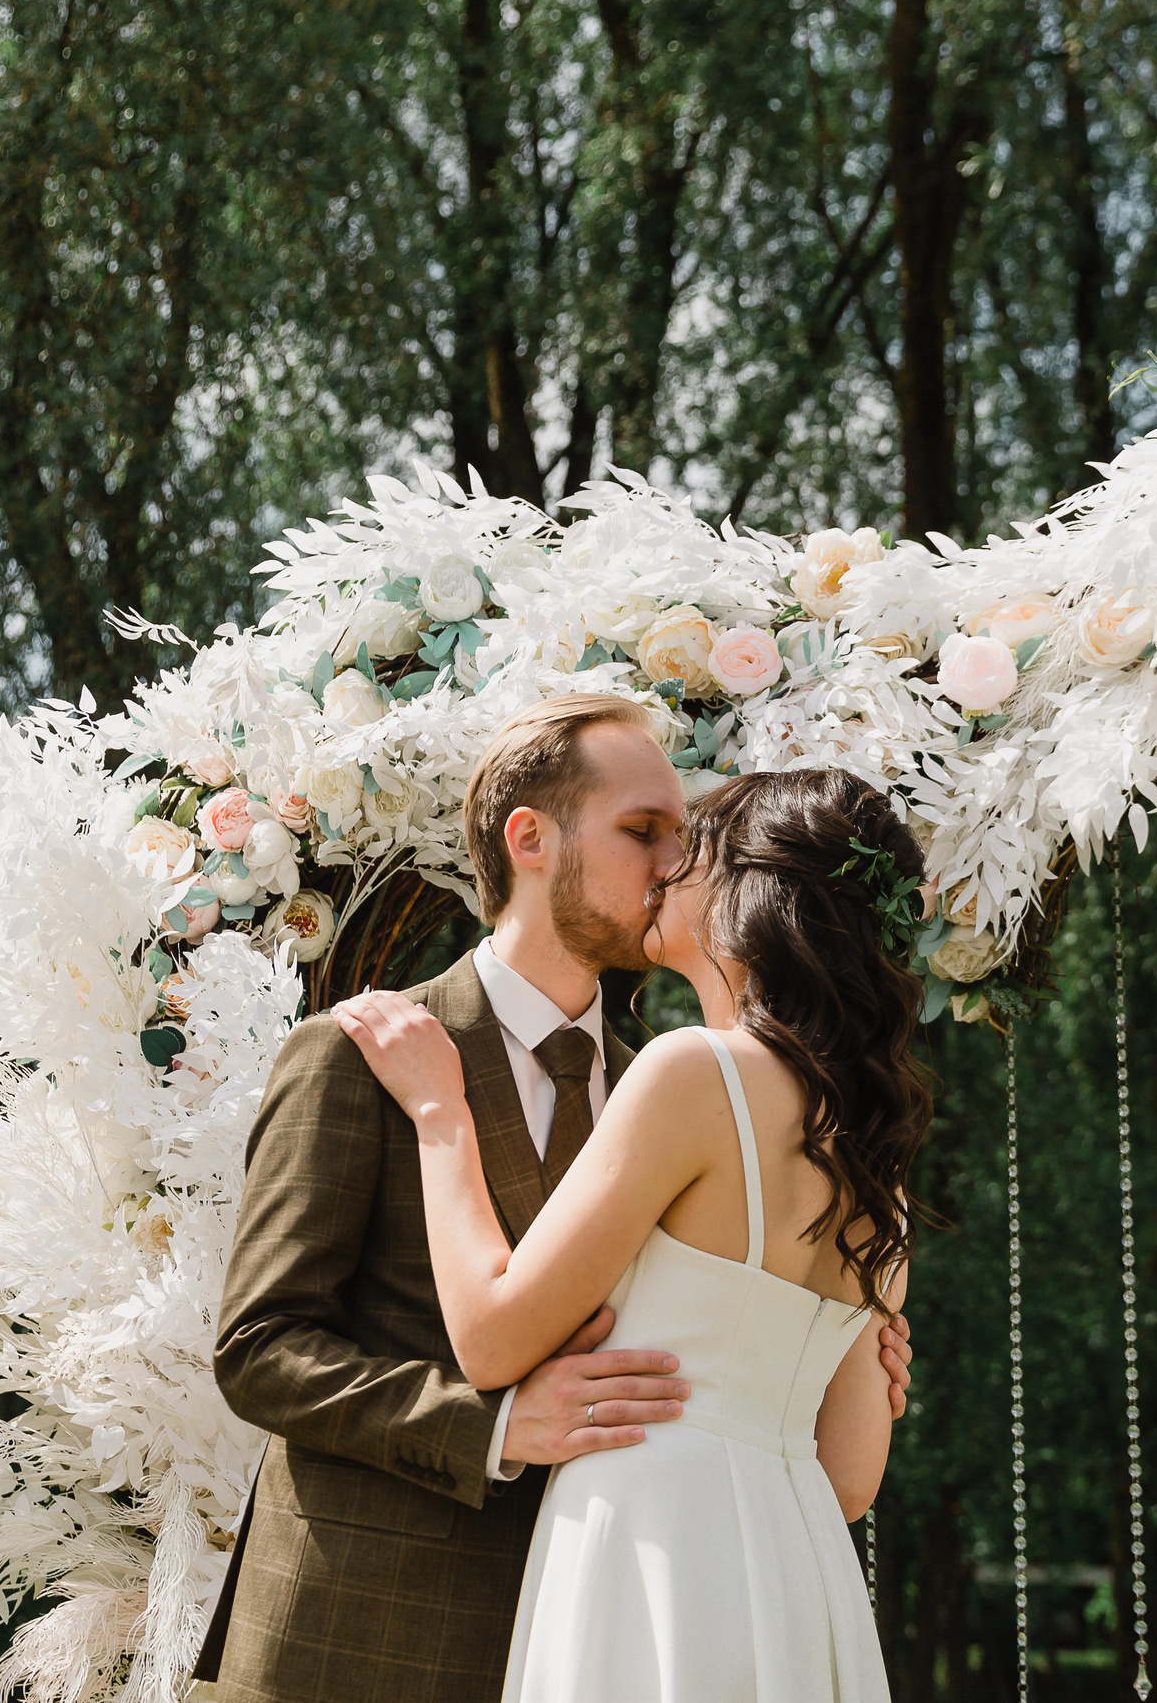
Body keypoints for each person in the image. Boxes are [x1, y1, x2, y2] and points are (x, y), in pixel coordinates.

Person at [197, 695, 916, 1702]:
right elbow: (260, 1350)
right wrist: (491, 1428)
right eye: (643, 831)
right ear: (528, 840)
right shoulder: (362, 1054)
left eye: (686, 840)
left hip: (617, 1619)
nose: (672, 863)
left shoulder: (678, 1091)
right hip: (365, 1637)